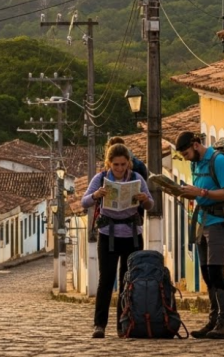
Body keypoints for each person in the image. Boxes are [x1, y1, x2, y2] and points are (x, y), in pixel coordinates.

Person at [82, 143, 155, 338]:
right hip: (108, 235)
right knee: (106, 280)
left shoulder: (137, 178)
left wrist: (143, 199)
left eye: (123, 164)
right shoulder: (101, 179)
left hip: (132, 235)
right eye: (116, 165)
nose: (120, 169)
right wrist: (96, 195)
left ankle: (124, 323)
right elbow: (84, 201)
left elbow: (150, 204)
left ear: (129, 163)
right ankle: (100, 325)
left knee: (128, 281)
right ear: (109, 163)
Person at [176, 131, 224, 339]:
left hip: (219, 222)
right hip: (202, 222)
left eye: (185, 153)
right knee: (207, 274)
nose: (185, 157)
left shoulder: (218, 161)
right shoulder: (195, 163)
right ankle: (213, 320)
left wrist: (202, 194)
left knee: (217, 272)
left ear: (195, 144)